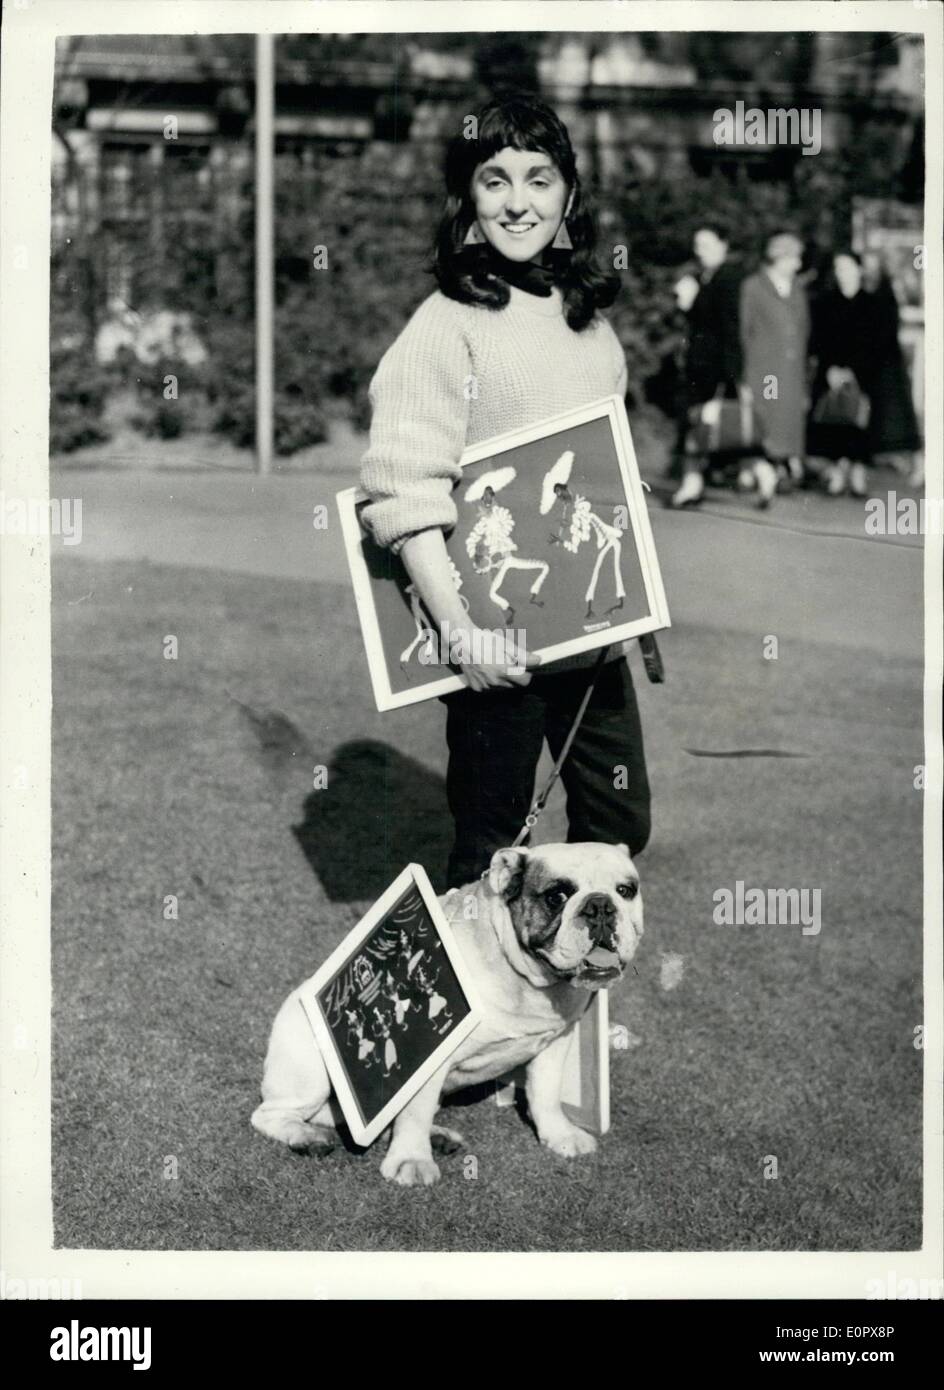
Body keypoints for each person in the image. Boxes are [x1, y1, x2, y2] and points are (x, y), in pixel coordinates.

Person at [358, 96, 651, 890]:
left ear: (569, 197)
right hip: (496, 642)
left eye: (539, 177)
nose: (519, 201)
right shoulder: (446, 322)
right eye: (495, 181)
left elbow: (601, 472)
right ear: (468, 201)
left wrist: (629, 595)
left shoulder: (589, 319)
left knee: (621, 828)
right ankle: (486, 1009)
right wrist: (461, 633)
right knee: (490, 846)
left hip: (590, 638)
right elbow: (404, 492)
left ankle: (571, 998)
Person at [670, 222, 745, 508]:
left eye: (706, 245)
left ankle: (760, 474)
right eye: (697, 245)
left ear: (723, 245)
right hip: (698, 366)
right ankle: (692, 483)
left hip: (716, 367)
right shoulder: (704, 277)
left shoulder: (729, 279)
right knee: (696, 424)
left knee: (716, 426)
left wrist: (731, 374)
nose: (699, 251)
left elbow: (729, 329)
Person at [739, 231, 811, 507]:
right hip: (764, 369)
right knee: (764, 420)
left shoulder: (798, 289)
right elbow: (745, 331)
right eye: (794, 258)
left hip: (791, 369)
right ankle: (760, 470)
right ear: (779, 257)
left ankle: (774, 470)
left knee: (787, 422)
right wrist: (744, 373)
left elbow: (804, 330)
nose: (798, 264)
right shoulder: (753, 287)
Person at [808, 250, 874, 497]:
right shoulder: (825, 303)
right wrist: (831, 369)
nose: (842, 274)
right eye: (838, 269)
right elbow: (819, 341)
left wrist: (854, 371)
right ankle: (837, 471)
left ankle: (857, 472)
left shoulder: (872, 303)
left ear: (859, 270)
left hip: (862, 375)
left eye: (847, 268)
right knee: (833, 418)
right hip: (831, 373)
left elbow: (877, 344)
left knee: (859, 419)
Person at [861, 250, 923, 488]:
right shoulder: (874, 293)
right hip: (879, 365)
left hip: (887, 365)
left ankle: (915, 462)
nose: (869, 270)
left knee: (898, 418)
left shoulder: (884, 295)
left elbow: (884, 331)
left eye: (872, 265)